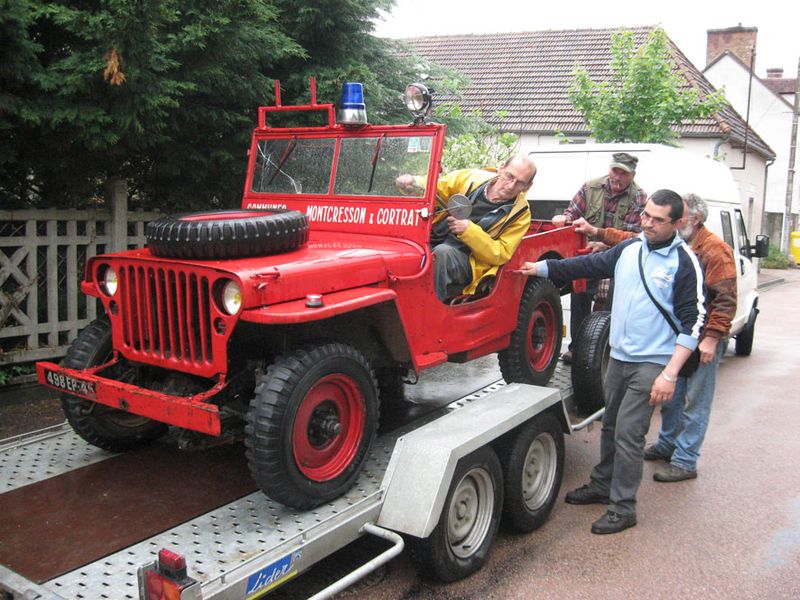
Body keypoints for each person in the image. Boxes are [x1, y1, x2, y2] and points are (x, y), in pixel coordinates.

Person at [516, 189, 705, 534]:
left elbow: (693, 322)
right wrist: (542, 267)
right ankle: (603, 485)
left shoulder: (684, 262)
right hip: (619, 357)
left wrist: (670, 374)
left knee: (630, 436)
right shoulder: (629, 249)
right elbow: (588, 264)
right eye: (646, 215)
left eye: (657, 220)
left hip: (652, 364)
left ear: (677, 223)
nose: (647, 223)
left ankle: (623, 507)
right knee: (610, 426)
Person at [397, 156, 535, 302]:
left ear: (527, 186)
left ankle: (424, 310)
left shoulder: (521, 214)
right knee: (402, 249)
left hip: (469, 260)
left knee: (443, 253)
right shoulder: (472, 178)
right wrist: (414, 182)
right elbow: (440, 186)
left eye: (519, 183)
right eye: (509, 176)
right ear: (501, 169)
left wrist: (468, 231)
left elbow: (501, 254)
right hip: (432, 237)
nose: (510, 186)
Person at [552, 152, 647, 363]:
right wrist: (563, 218)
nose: (617, 176)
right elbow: (572, 213)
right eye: (615, 170)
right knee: (580, 295)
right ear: (609, 169)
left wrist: (602, 243)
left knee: (609, 301)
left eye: (624, 173)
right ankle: (576, 348)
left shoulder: (639, 197)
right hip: (587, 253)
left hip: (618, 258)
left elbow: (631, 236)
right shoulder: (590, 187)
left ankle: (603, 351)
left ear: (632, 175)